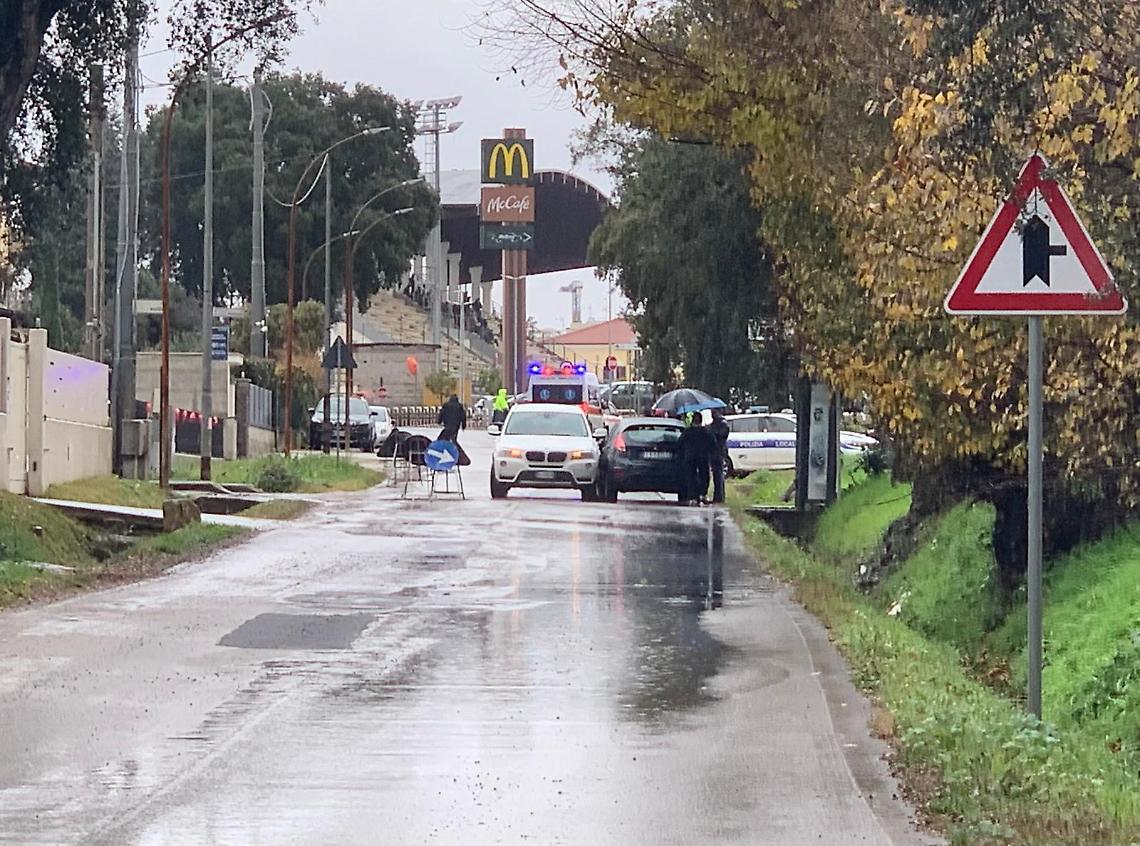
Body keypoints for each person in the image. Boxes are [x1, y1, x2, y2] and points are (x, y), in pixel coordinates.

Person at [676, 411, 718, 505]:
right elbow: (713, 444)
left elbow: (679, 443)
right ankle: (702, 494)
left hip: (690, 457)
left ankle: (692, 497)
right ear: (701, 420)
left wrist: (682, 453)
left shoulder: (687, 431)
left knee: (690, 477)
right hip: (703, 457)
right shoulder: (706, 431)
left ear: (692, 420)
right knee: (704, 476)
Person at [708, 408, 730, 504]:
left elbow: (722, 436)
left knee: (719, 474)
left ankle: (720, 496)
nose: (712, 414)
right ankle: (717, 496)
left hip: (719, 452)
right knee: (716, 475)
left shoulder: (723, 424)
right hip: (714, 452)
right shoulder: (714, 424)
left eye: (713, 412)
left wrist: (712, 433)